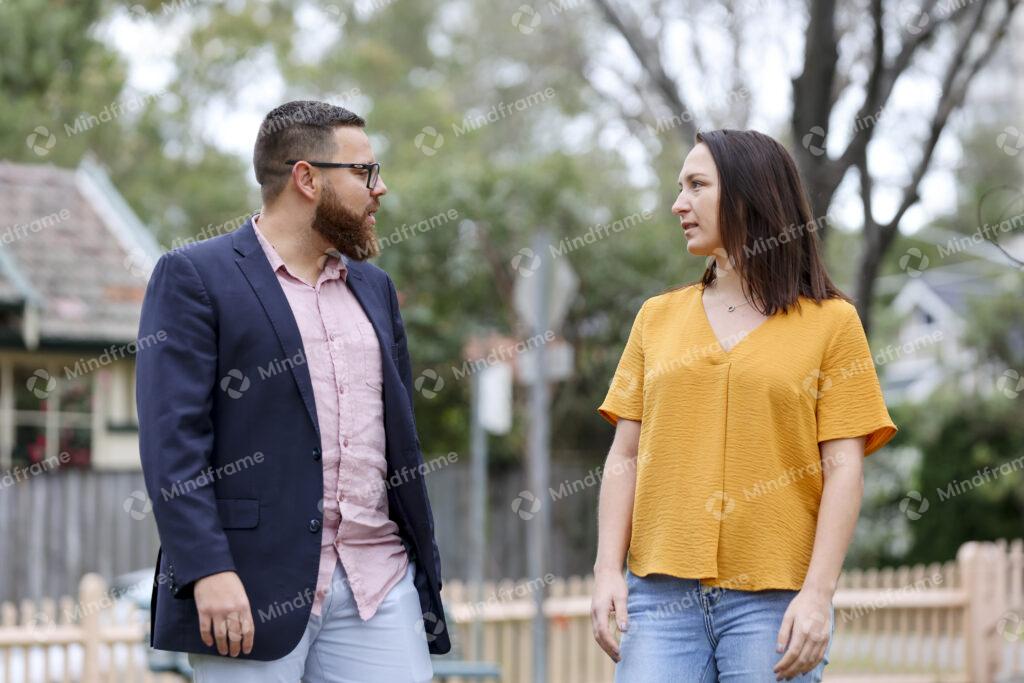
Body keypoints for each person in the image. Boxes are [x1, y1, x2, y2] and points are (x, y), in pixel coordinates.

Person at [136, 100, 448, 682]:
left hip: (377, 583)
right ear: (306, 178)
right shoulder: (195, 277)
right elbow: (170, 440)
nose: (381, 189)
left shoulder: (375, 289)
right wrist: (206, 568)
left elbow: (398, 438)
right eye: (364, 172)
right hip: (249, 587)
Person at [590, 129, 897, 682]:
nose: (678, 203)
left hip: (774, 604)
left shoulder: (832, 324)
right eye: (680, 187)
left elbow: (844, 470)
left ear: (749, 195)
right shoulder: (655, 318)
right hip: (659, 602)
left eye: (696, 185)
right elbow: (625, 456)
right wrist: (606, 570)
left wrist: (817, 596)